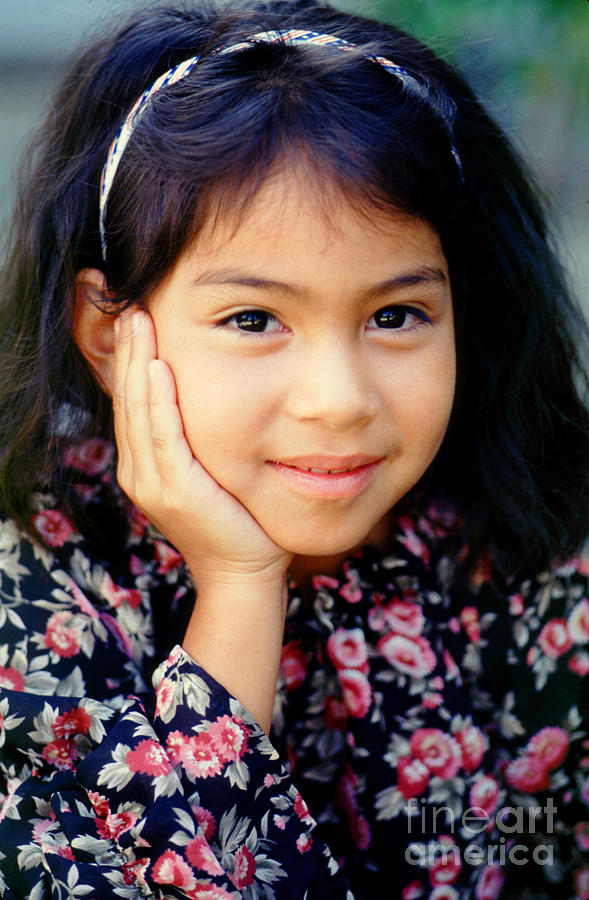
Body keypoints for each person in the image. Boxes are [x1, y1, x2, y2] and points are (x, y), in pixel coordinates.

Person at [0, 1, 587, 897]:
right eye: (253, 319)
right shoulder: (35, 594)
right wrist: (238, 589)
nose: (339, 400)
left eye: (396, 315)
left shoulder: (533, 560)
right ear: (109, 334)